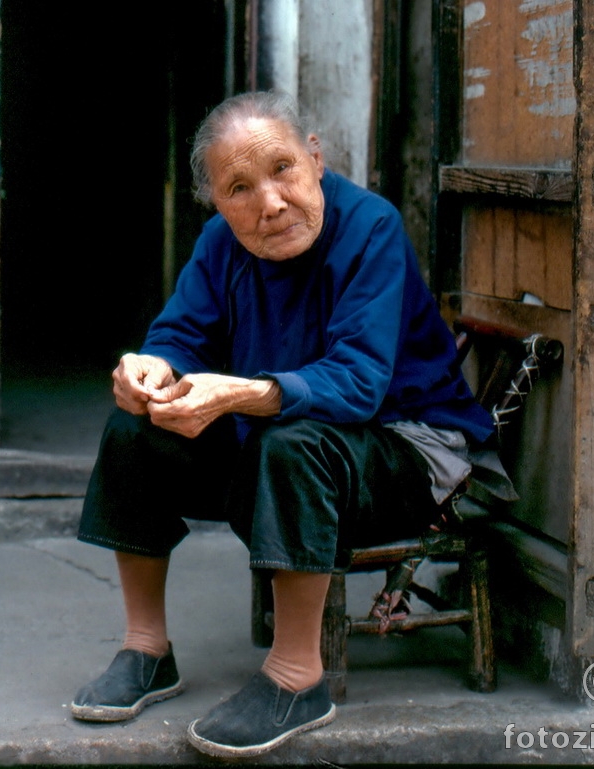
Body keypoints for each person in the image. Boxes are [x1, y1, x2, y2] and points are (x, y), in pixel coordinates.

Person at [68, 90, 494, 758]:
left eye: (283, 170)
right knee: (135, 431)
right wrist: (147, 369)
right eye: (239, 187)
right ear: (214, 201)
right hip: (281, 444)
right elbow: (180, 333)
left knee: (294, 440)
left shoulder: (370, 228)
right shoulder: (221, 244)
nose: (269, 203)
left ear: (315, 158)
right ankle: (147, 649)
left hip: (407, 448)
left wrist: (239, 391)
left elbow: (357, 383)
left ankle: (297, 676)